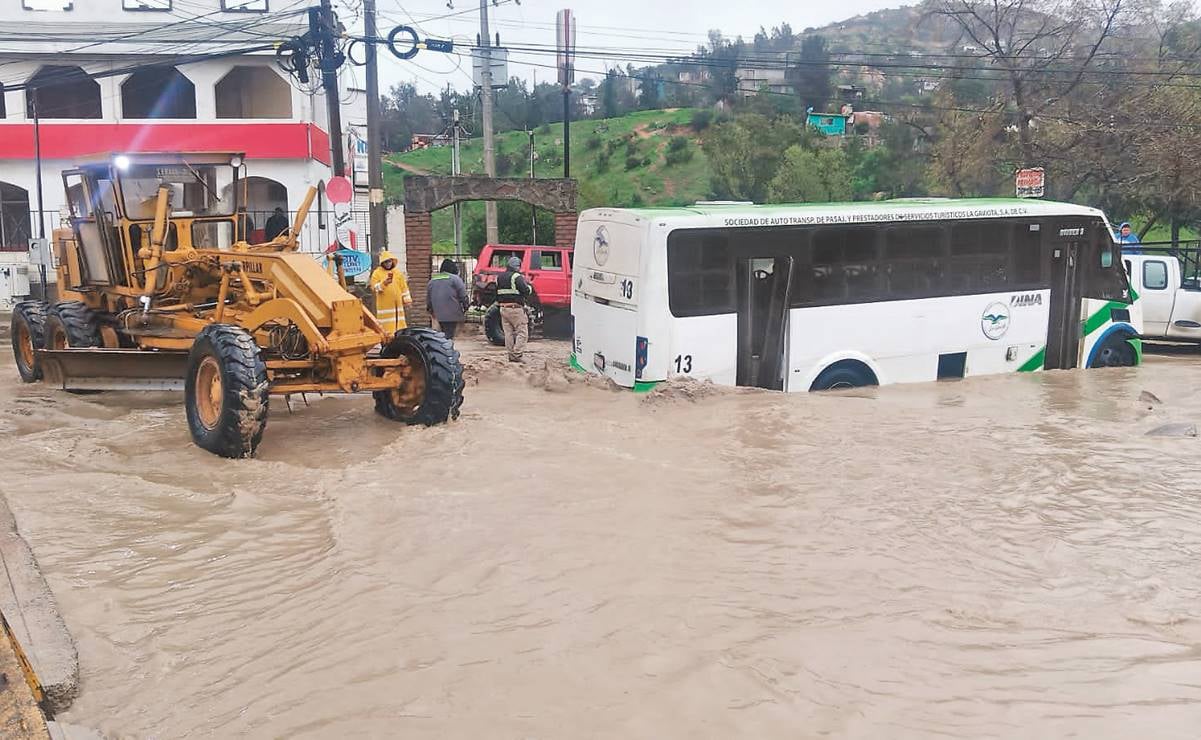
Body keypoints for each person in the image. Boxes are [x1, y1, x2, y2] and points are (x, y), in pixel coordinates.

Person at [496, 255, 532, 362]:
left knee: (508, 334)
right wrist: (529, 286)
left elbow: (496, 293)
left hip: (503, 309)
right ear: (517, 266)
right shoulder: (517, 277)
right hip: (515, 309)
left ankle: (511, 356)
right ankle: (517, 355)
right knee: (522, 333)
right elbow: (526, 291)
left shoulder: (499, 277)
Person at [369, 251, 412, 334]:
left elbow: (404, 288)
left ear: (392, 261)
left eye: (389, 261)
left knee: (399, 326)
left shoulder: (398, 273)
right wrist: (384, 283)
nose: (388, 264)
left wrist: (407, 300)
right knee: (386, 329)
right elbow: (374, 288)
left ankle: (399, 335)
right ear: (382, 263)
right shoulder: (377, 273)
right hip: (385, 307)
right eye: (386, 262)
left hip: (398, 307)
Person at [427, 258, 469, 340]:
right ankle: (448, 346)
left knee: (439, 336)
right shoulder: (456, 279)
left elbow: (429, 299)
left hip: (437, 314)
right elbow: (463, 295)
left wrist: (430, 310)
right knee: (449, 336)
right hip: (452, 314)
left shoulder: (432, 280)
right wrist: (466, 307)